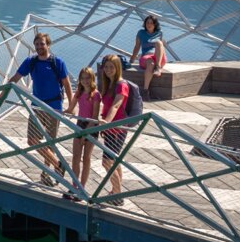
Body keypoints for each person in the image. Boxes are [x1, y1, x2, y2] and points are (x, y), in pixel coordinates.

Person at [1, 32, 72, 186]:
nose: (40, 47)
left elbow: (66, 84)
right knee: (32, 140)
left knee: (50, 143)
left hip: (54, 107)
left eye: (42, 44)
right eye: (37, 44)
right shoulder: (31, 61)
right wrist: (2, 94)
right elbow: (15, 78)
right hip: (37, 105)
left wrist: (71, 106)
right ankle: (58, 165)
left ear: (48, 45)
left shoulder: (57, 62)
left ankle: (45, 174)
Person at [96, 54, 135, 205]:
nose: (108, 70)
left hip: (116, 129)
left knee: (106, 162)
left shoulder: (121, 84)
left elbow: (117, 105)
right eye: (106, 67)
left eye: (111, 67)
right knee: (114, 161)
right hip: (111, 128)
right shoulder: (110, 83)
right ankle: (115, 191)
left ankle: (117, 196)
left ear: (118, 68)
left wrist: (106, 122)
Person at [66, 68, 101, 202]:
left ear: (92, 79)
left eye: (88, 78)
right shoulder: (79, 92)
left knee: (86, 158)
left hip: (91, 126)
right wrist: (66, 111)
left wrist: (86, 135)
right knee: (75, 156)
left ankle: (82, 187)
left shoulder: (95, 94)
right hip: (80, 123)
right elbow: (72, 107)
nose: (85, 81)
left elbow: (95, 116)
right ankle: (74, 185)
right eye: (83, 78)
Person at [129, 14, 168, 93]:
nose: (149, 25)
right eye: (147, 23)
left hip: (159, 59)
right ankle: (145, 91)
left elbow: (161, 47)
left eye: (151, 23)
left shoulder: (160, 33)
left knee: (159, 43)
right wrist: (132, 59)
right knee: (151, 63)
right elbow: (137, 47)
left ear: (155, 24)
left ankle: (158, 67)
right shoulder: (141, 33)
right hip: (146, 58)